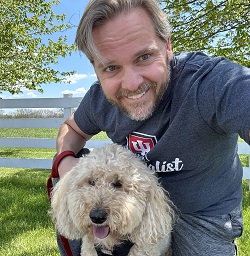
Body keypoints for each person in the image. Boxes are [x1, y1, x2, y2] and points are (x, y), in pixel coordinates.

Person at [52, 0, 250, 255]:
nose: (132, 83)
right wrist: (66, 163)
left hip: (204, 212)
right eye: (111, 67)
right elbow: (73, 129)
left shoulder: (212, 83)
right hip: (126, 203)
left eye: (144, 56)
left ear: (167, 46)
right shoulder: (98, 99)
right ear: (96, 69)